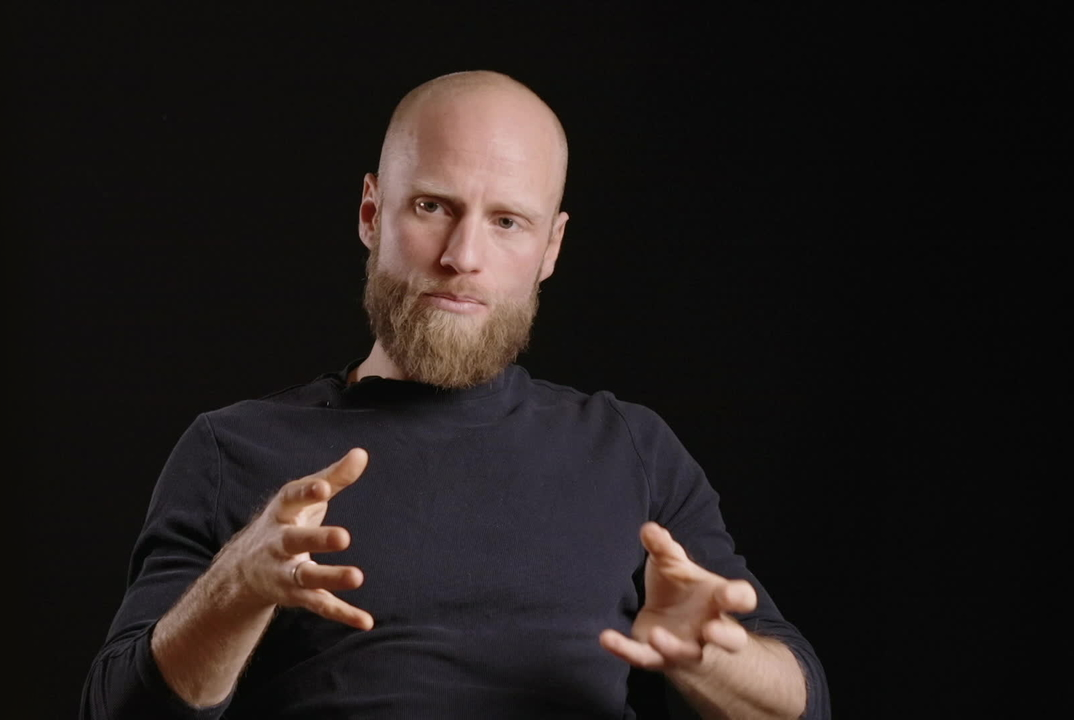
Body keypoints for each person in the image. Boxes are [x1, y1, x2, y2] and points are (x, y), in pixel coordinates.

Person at [81, 70, 828, 719]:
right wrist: (236, 589)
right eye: (432, 206)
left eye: (507, 221)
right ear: (372, 213)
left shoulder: (631, 449)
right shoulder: (234, 449)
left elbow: (803, 702)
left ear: (551, 248)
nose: (463, 256)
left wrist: (709, 655)